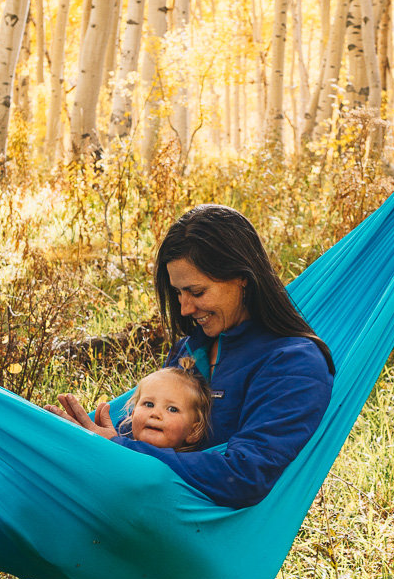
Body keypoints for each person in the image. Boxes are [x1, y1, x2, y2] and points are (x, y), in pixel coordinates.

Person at [54, 204, 334, 508]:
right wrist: (102, 439)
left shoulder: (294, 364)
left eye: (197, 292)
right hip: (148, 509)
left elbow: (245, 476)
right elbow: (153, 440)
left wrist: (119, 449)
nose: (185, 308)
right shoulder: (188, 351)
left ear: (242, 277)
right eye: (178, 293)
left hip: (209, 534)